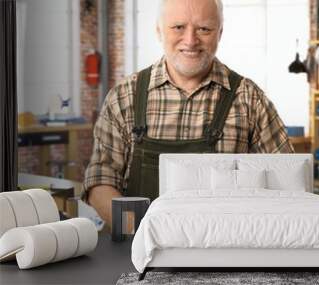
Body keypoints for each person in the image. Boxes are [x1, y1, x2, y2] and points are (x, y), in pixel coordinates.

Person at [83, 0, 294, 226]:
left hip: (225, 252)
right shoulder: (124, 97)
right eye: (178, 27)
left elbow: (288, 182)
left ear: (219, 33)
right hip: (138, 253)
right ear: (159, 31)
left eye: (204, 29)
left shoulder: (250, 100)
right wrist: (142, 233)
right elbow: (100, 182)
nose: (191, 40)